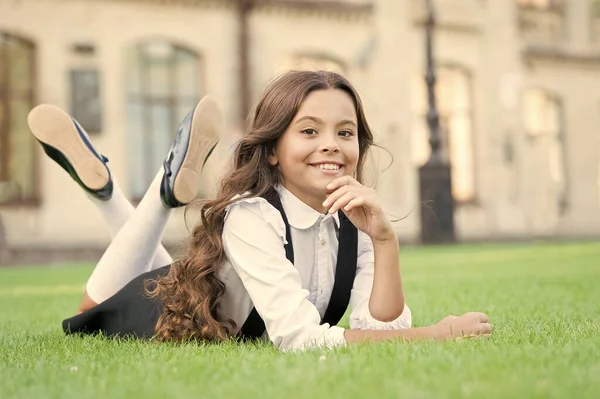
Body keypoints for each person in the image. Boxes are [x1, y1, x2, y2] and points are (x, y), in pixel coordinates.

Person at [28, 70, 492, 351]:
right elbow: (300, 340)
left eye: (345, 133)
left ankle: (111, 193)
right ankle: (150, 194)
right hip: (155, 317)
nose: (331, 144)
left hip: (187, 288)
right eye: (309, 131)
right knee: (92, 309)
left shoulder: (355, 218)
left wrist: (385, 241)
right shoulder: (252, 216)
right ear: (271, 150)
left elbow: (379, 329)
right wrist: (438, 333)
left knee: (171, 272)